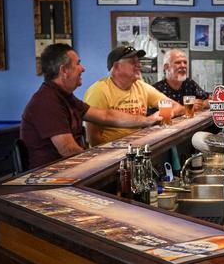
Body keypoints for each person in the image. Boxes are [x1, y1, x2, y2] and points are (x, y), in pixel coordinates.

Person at [20, 43, 162, 169]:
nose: (83, 68)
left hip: (68, 170)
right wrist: (106, 161)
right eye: (78, 64)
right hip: (50, 179)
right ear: (64, 71)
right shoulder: (47, 101)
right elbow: (68, 149)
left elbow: (106, 115)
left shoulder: (65, 97)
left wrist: (147, 120)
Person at [84, 46, 184, 146]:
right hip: (111, 152)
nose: (139, 65)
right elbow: (93, 139)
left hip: (138, 148)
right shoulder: (98, 91)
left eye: (138, 61)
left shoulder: (141, 86)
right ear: (117, 66)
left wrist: (168, 113)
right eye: (133, 62)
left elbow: (178, 107)